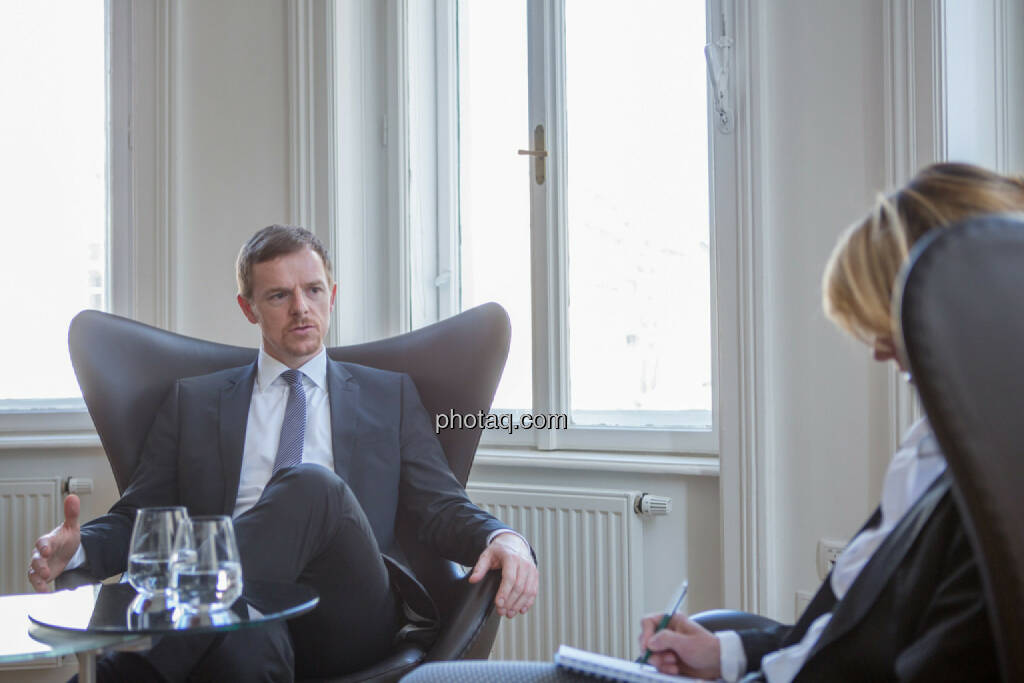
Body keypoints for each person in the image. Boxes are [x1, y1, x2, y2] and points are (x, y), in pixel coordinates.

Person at [403, 162, 1020, 683]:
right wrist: (721, 653)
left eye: (887, 325)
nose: (882, 352)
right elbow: (835, 635)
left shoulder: (991, 496)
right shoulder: (926, 452)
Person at [27, 225, 540, 682]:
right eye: (278, 295)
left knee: (311, 485)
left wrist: (504, 537)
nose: (301, 308)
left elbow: (441, 503)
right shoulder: (196, 402)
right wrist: (82, 549)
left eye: (313, 290)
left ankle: (128, 668)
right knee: (245, 642)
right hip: (237, 616)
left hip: (347, 611)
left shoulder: (390, 397)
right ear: (248, 307)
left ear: (332, 296)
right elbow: (141, 516)